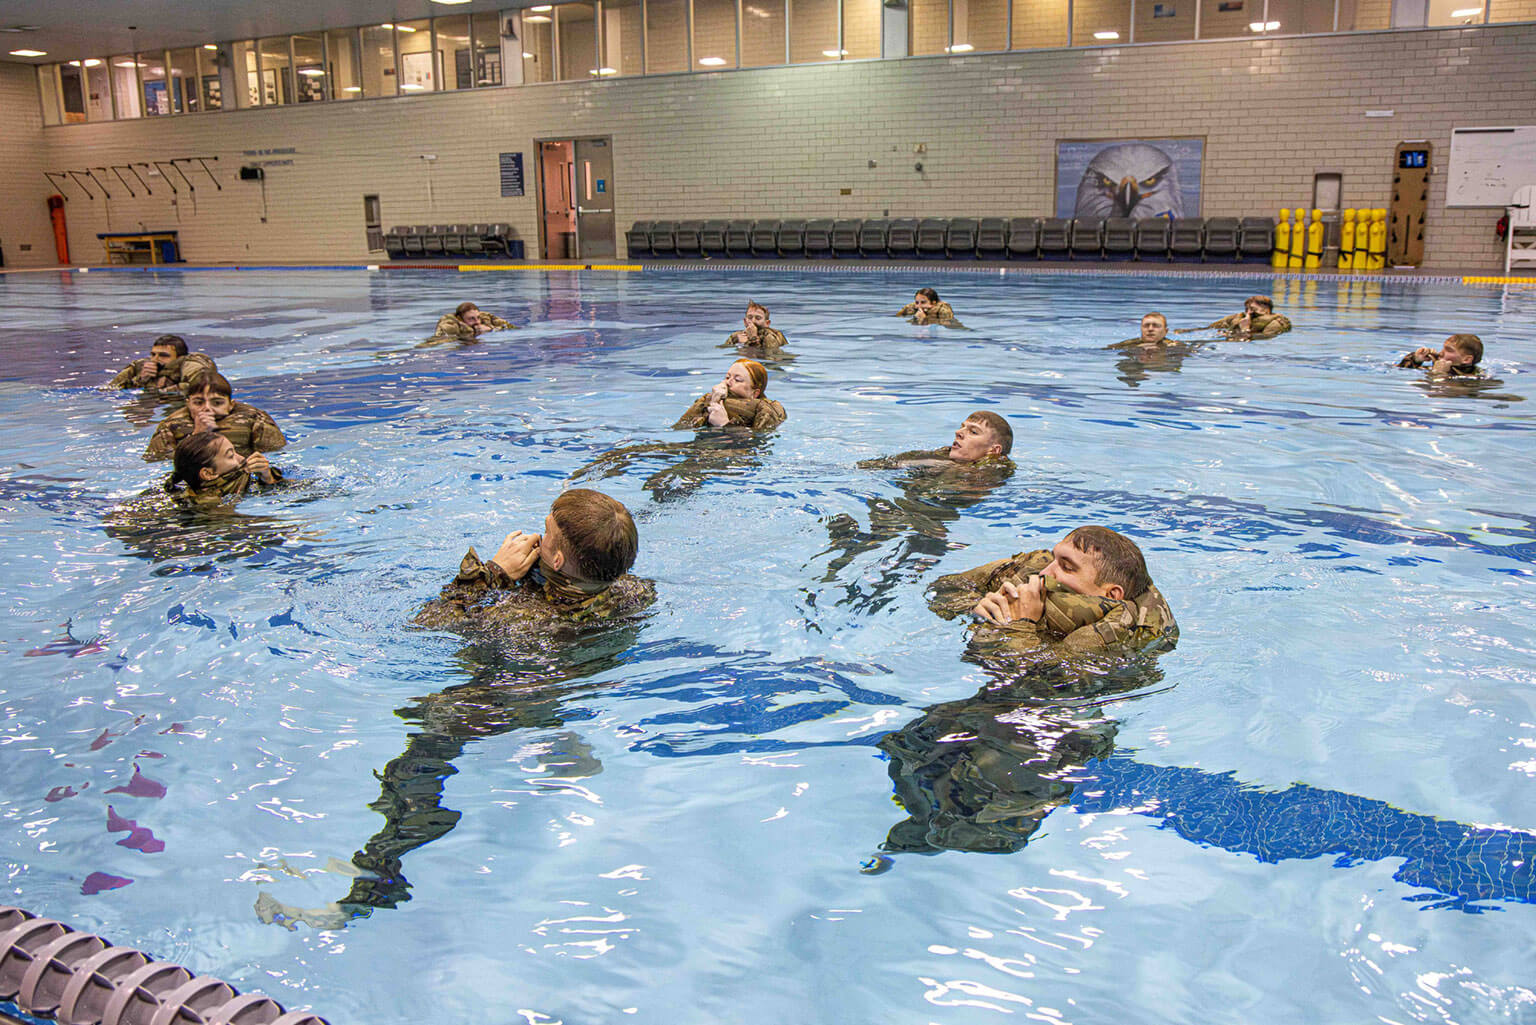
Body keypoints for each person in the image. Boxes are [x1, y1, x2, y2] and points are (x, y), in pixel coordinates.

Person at [414, 488, 656, 634]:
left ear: (558, 560)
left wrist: (494, 574)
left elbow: (427, 623)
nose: (539, 538)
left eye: (547, 532)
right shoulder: (639, 592)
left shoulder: (521, 618)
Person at [928, 525, 1178, 655]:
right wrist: (977, 610)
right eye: (1055, 558)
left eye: (1067, 568)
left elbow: (1033, 682)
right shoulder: (1035, 570)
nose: (1046, 573)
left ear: (1111, 594)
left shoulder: (1118, 633)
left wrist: (1018, 624)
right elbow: (942, 590)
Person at [143, 371, 287, 461]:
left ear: (231, 404)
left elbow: (277, 455)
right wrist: (197, 436)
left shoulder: (255, 419)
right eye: (198, 402)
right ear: (188, 404)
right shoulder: (171, 425)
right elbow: (158, 462)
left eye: (217, 402)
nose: (207, 408)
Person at [857, 411, 1013, 469]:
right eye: (962, 427)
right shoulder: (942, 454)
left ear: (994, 450)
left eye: (973, 431)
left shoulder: (993, 471)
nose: (958, 432)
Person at [164, 431, 283, 501]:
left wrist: (267, 477)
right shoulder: (209, 506)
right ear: (208, 473)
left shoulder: (236, 481)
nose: (242, 458)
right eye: (231, 455)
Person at [673, 358, 787, 430]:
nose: (728, 382)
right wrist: (712, 402)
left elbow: (759, 439)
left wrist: (724, 424)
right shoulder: (709, 400)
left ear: (755, 393)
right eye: (727, 377)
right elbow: (681, 426)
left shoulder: (767, 410)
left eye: (738, 380)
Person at [108, 334, 217, 393]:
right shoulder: (141, 366)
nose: (155, 359)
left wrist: (166, 389)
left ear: (179, 357)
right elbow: (109, 389)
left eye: (163, 355)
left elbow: (206, 387)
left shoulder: (192, 366)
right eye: (153, 354)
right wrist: (140, 380)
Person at [1204, 294, 1291, 339]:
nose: (1248, 312)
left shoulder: (1276, 323)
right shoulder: (1238, 317)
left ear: (1266, 310)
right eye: (1246, 309)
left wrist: (1245, 328)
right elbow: (1208, 328)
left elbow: (1266, 337)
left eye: (1252, 309)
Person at [1397, 333, 1483, 377]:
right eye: (1443, 348)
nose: (1441, 353)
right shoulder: (1435, 366)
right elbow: (1399, 370)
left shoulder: (1473, 378)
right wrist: (1415, 360)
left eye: (1449, 350)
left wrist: (1438, 374)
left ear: (1466, 359)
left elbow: (1436, 392)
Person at [427, 302, 515, 344]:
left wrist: (491, 329)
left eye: (478, 318)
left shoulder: (486, 318)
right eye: (471, 319)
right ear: (460, 319)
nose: (477, 322)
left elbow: (511, 327)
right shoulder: (449, 325)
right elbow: (436, 341)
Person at [723, 301, 788, 352]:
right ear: (745, 321)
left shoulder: (771, 336)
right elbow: (722, 349)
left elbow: (770, 357)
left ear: (767, 323)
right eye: (750, 317)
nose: (753, 321)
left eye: (758, 318)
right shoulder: (735, 336)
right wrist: (740, 344)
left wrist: (753, 339)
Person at [1106, 312, 1174, 349]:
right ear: (1141, 329)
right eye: (1146, 325)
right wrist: (1137, 349)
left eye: (1156, 326)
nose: (1150, 329)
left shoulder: (1174, 346)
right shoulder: (1128, 344)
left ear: (1166, 331)